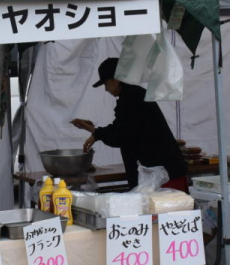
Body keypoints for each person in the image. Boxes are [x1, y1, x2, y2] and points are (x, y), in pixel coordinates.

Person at [72, 58, 188, 191]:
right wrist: (95, 132)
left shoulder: (131, 99)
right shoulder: (133, 95)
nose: (106, 89)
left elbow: (121, 136)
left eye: (106, 83)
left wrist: (97, 134)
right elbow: (122, 126)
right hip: (162, 172)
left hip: (163, 175)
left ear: (116, 79)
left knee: (169, 210)